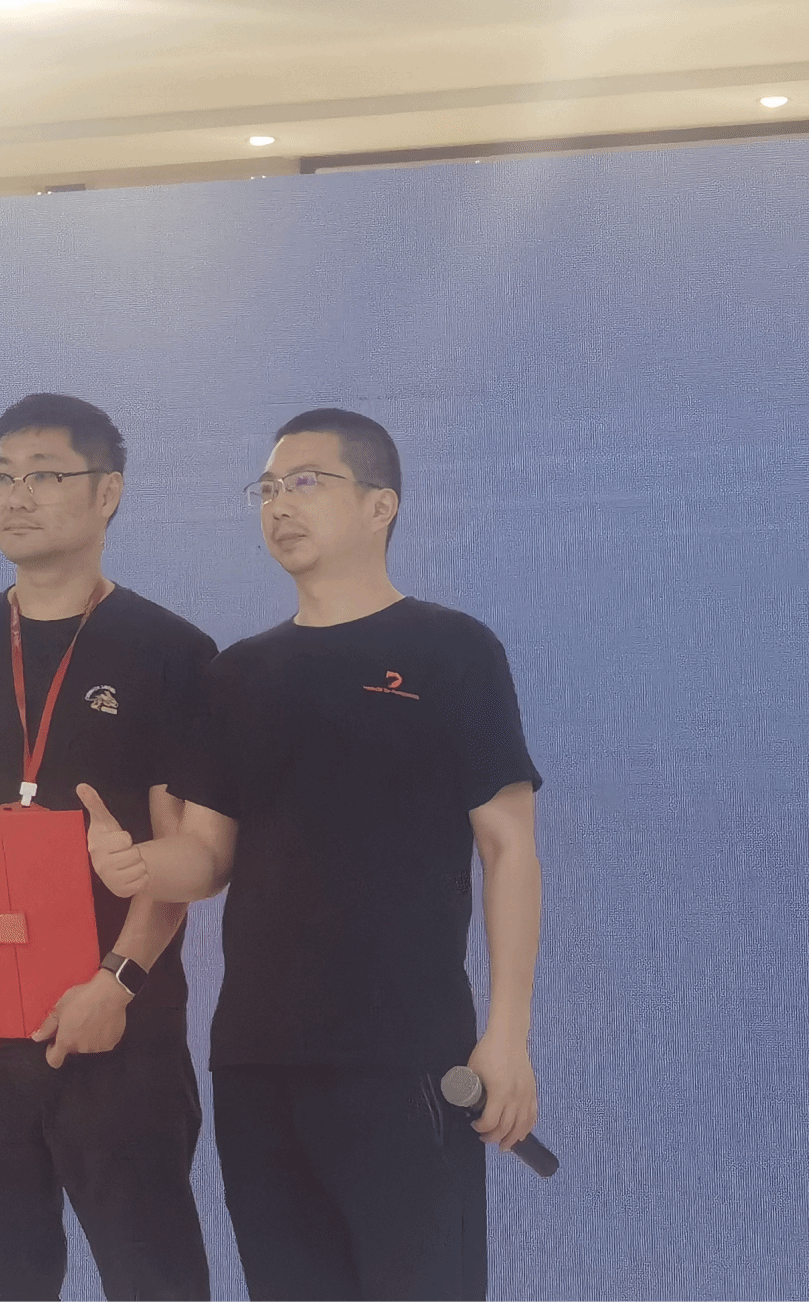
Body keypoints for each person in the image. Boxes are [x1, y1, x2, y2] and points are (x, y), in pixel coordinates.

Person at [83, 408, 544, 1301]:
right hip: (257, 1063)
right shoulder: (237, 674)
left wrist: (508, 1035)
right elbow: (207, 857)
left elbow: (509, 846)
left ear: (380, 505)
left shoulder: (453, 650)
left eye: (306, 482)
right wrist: (138, 866)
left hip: (406, 1056)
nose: (279, 505)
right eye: (266, 488)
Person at [0, 393, 214, 1302]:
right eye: (0, 476)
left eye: (45, 475)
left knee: (154, 1275)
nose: (17, 496)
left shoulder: (173, 651)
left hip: (115, 1026)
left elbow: (180, 850)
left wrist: (119, 980)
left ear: (108, 493)